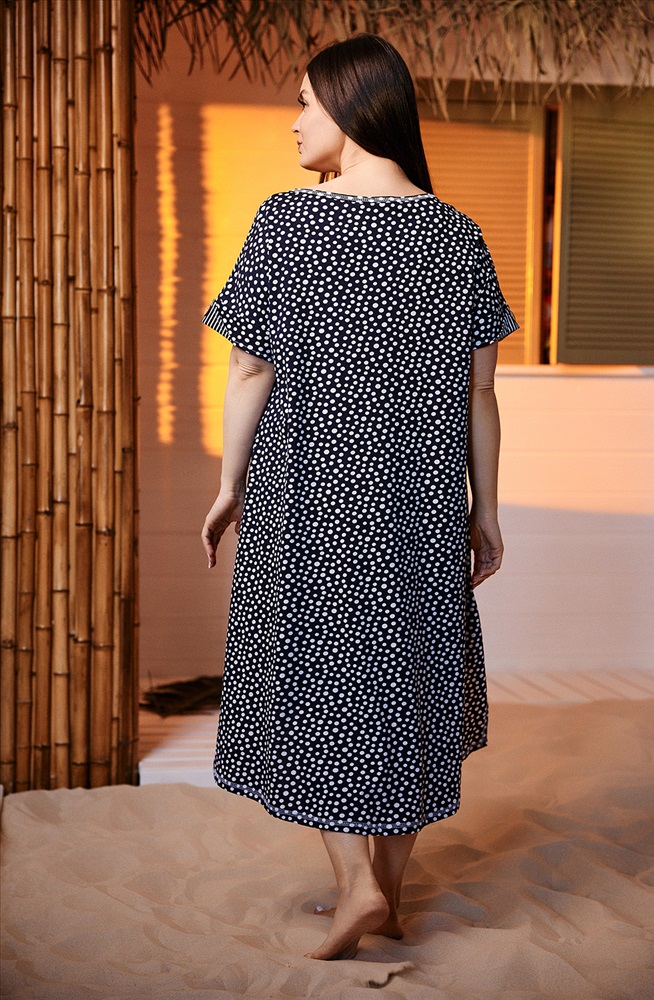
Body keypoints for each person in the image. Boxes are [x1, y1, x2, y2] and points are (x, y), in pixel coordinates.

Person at [200, 32, 518, 962]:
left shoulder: (288, 222)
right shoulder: (457, 233)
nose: (294, 124)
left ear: (349, 106)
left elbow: (250, 367)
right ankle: (391, 896)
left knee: (312, 676)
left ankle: (356, 889)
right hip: (420, 504)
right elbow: (480, 394)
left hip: (308, 496)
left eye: (304, 102)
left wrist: (229, 482)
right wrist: (485, 510)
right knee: (406, 681)